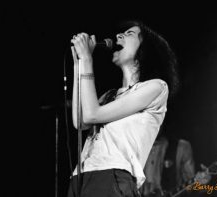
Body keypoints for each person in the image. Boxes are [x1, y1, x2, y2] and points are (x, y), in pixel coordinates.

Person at [67, 20, 179, 197]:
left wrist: (88, 59)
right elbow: (80, 122)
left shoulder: (156, 87)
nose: (119, 36)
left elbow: (91, 115)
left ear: (146, 50)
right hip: (80, 177)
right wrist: (78, 65)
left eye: (129, 34)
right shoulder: (110, 95)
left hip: (113, 176)